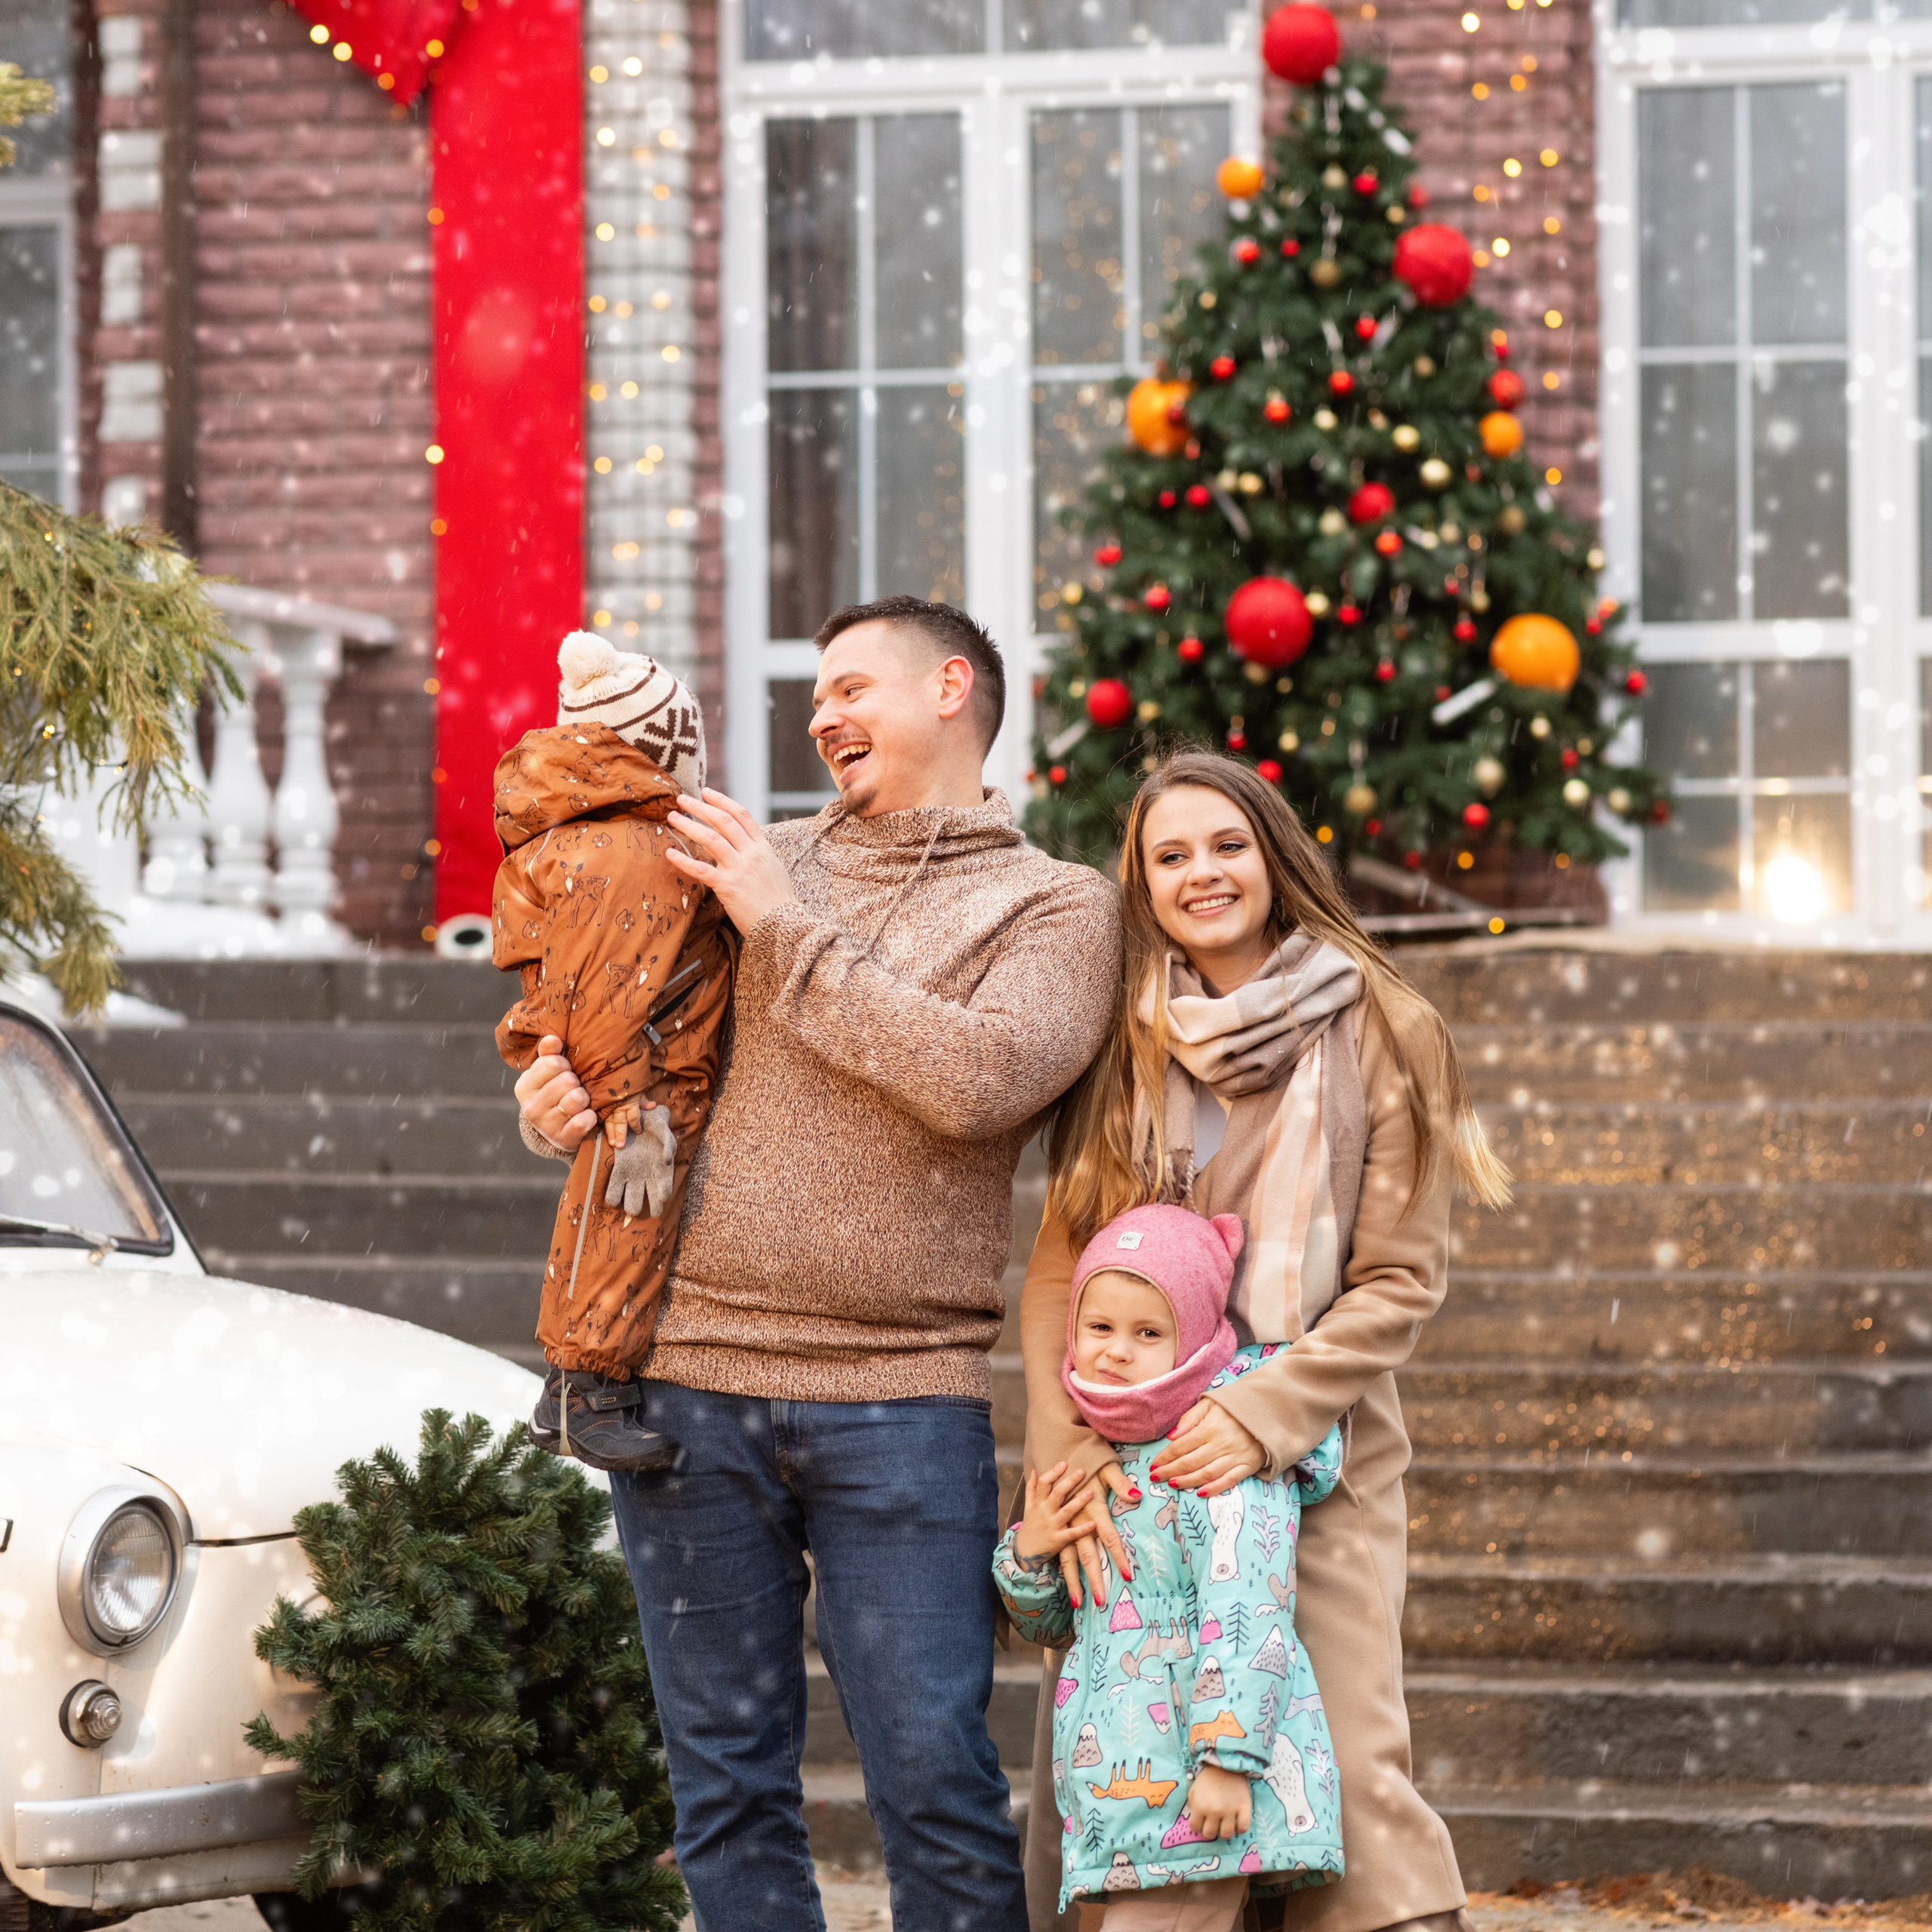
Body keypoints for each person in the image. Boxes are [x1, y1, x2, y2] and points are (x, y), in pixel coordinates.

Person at [514, 595, 1122, 1932]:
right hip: (685, 1387)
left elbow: (978, 1082)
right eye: (814, 696)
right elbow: (636, 1056)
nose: (821, 715)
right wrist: (567, 1109)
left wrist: (785, 927)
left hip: (902, 1401)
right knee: (723, 1786)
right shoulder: (747, 858)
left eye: (851, 688)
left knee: (936, 1781)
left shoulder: (1055, 906)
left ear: (951, 688)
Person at [1017, 749, 1512, 1932]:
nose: (1203, 873)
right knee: (1136, 1780)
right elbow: (1059, 1266)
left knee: (1341, 1768)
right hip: (1135, 1459)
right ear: (1142, 883)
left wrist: (1258, 1413)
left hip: (1310, 1445)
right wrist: (1066, 1445)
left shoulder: (1384, 1026)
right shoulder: (1123, 1041)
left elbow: (1398, 1282)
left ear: (1276, 857)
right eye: (1170, 855)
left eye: (1227, 845)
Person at [995, 1201, 1345, 1930]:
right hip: (1121, 1799)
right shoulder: (1093, 1459)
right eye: (1099, 1328)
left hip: (1202, 1788)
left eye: (1148, 1333)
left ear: (1194, 1340)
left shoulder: (1214, 1457)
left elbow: (1251, 1611)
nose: (1116, 1352)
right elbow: (1054, 1624)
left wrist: (1228, 1761)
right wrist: (1031, 1551)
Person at [494, 631, 733, 1472]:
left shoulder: (604, 841)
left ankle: (581, 1389)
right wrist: (629, 1107)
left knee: (616, 1220)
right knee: (620, 1224)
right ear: (660, 755)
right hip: (650, 1079)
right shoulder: (631, 854)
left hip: (655, 1068)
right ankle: (583, 1391)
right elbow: (602, 998)